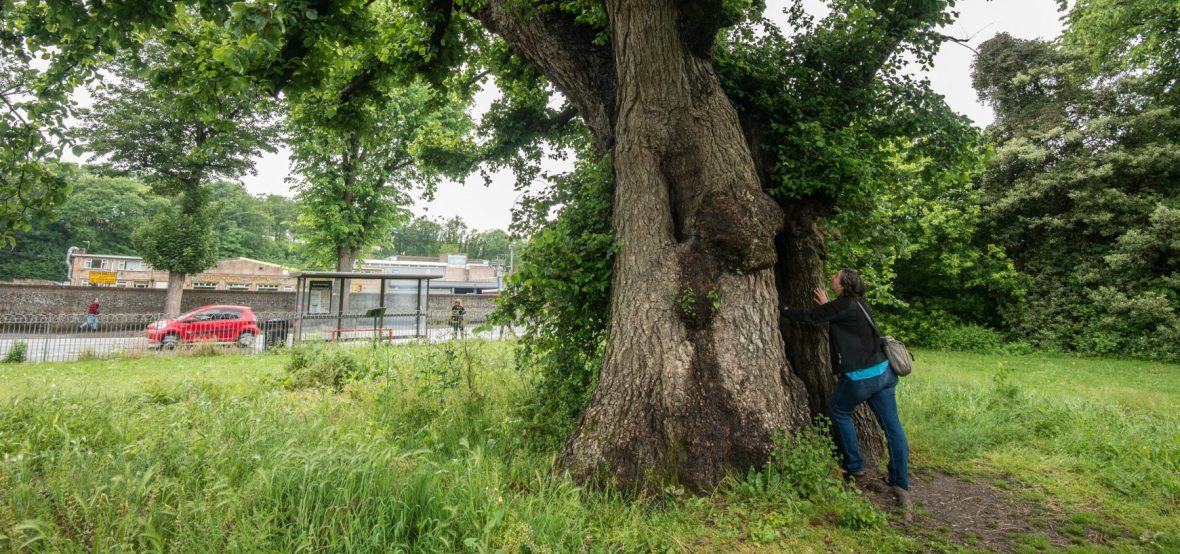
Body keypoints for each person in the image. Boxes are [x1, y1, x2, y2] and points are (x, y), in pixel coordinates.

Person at [779, 268, 912, 521]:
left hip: (862, 377)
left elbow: (810, 316)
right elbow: (841, 318)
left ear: (843, 283)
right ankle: (899, 481)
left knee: (840, 411)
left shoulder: (843, 305)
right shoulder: (858, 304)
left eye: (836, 276)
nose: (832, 278)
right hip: (884, 373)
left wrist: (780, 308)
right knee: (893, 428)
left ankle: (854, 466)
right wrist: (829, 306)